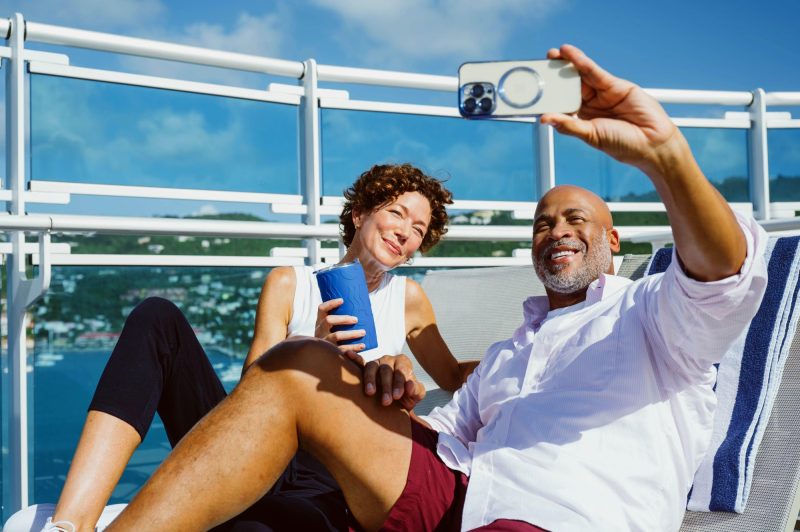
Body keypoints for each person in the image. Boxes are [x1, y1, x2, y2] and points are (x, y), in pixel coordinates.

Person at [103, 44, 768, 531]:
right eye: (543, 222)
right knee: (295, 365)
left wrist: (664, 155)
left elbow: (723, 273)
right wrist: (392, 387)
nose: (556, 230)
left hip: (559, 516)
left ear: (615, 242)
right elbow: (443, 432)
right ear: (360, 213)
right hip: (458, 490)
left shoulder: (654, 316)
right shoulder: (512, 351)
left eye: (577, 219)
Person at [26, 164, 477, 532]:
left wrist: (531, 350)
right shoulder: (289, 283)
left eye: (418, 228)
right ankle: (69, 525)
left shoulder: (409, 300)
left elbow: (454, 377)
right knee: (157, 317)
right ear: (359, 214)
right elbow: (252, 390)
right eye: (396, 213)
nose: (405, 232)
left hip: (332, 472)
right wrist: (314, 347)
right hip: (251, 447)